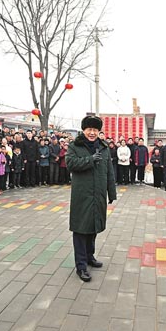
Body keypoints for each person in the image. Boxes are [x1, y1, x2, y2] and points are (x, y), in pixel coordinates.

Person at [66, 116, 117, 282]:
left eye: (95, 130)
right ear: (84, 130)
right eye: (89, 129)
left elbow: (109, 171)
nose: (92, 132)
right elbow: (71, 164)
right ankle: (80, 266)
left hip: (98, 194)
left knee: (94, 226)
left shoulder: (103, 148)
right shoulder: (75, 146)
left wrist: (111, 192)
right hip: (82, 195)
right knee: (81, 229)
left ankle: (89, 256)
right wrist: (89, 160)